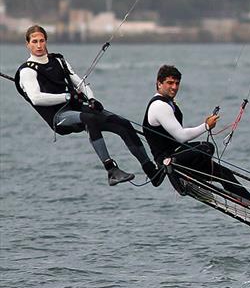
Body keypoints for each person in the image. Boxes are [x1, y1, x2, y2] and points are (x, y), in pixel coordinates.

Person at [15, 24, 161, 186]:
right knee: (89, 119)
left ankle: (151, 170)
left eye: (42, 41)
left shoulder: (58, 60)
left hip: (77, 108)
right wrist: (67, 96)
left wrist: (91, 99)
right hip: (59, 118)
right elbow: (36, 98)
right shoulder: (27, 71)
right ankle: (111, 171)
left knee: (122, 124)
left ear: (46, 41)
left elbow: (80, 82)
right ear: (27, 44)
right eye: (34, 41)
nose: (39, 45)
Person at [142, 64, 250, 213]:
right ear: (159, 83)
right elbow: (181, 136)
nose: (174, 87)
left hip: (180, 155)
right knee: (206, 148)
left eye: (177, 83)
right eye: (170, 83)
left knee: (225, 174)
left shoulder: (169, 103)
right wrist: (205, 126)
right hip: (169, 160)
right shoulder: (159, 105)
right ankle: (185, 182)